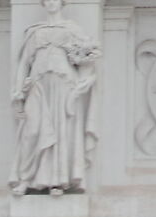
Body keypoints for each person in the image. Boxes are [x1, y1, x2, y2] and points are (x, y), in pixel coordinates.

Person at [11, 0, 97, 193]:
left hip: (64, 84)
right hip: (37, 84)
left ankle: (58, 181)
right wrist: (18, 92)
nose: (51, 3)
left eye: (55, 0)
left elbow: (88, 61)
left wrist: (85, 79)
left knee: (61, 131)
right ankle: (25, 178)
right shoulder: (35, 32)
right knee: (32, 131)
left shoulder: (71, 30)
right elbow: (24, 63)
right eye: (47, 0)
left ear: (62, 3)